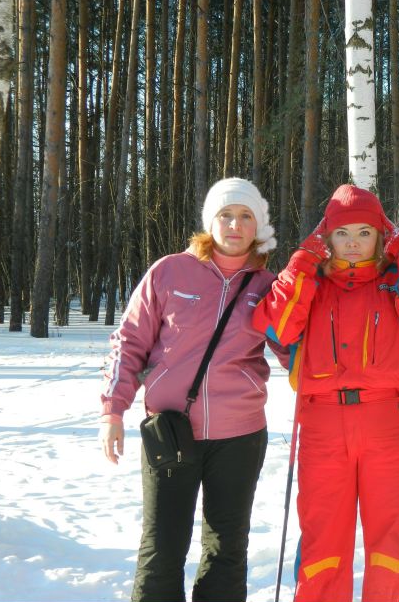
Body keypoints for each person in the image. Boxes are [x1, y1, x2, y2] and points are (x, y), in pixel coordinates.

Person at [253, 184, 399, 602]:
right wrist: (301, 262)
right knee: (323, 543)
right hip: (323, 427)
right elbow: (278, 326)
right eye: (343, 233)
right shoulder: (311, 284)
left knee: (392, 543)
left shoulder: (395, 280)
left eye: (366, 233)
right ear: (326, 239)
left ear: (382, 236)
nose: (354, 243)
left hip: (390, 427)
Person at [98, 177, 288, 602]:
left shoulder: (269, 287)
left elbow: (297, 353)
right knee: (162, 547)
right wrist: (113, 412)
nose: (234, 225)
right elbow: (128, 342)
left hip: (239, 435)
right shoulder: (169, 272)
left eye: (244, 217)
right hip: (171, 432)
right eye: (225, 215)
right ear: (210, 221)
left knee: (226, 547)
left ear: (258, 226)